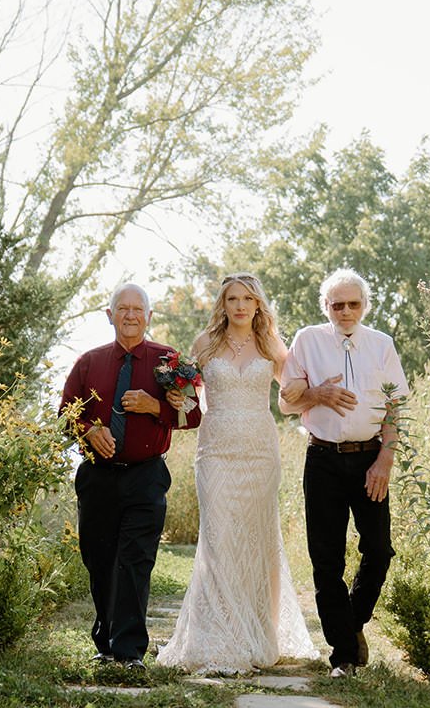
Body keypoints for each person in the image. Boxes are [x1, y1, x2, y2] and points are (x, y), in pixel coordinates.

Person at [157, 274, 319, 673]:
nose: (241, 306)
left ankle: (256, 632)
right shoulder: (204, 344)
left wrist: (316, 393)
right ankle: (215, 633)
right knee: (218, 537)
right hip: (215, 451)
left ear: (258, 304)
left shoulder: (271, 346)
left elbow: (291, 394)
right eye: (233, 298)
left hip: (261, 453)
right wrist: (176, 395)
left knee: (256, 537)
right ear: (223, 304)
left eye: (248, 298)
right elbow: (187, 400)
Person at [60, 283, 200, 668]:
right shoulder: (88, 362)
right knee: (100, 558)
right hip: (97, 476)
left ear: (149, 317)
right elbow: (65, 415)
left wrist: (155, 405)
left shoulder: (170, 362)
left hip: (146, 475)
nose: (131, 315)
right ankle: (105, 643)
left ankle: (129, 650)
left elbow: (192, 415)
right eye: (122, 308)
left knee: (136, 559)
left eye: (138, 309)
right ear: (110, 316)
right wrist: (88, 430)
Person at [279, 268, 409, 677]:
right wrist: (317, 394)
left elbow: (394, 408)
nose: (346, 311)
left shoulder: (382, 345)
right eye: (338, 304)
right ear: (326, 307)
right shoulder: (307, 340)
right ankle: (343, 656)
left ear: (365, 306)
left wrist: (385, 460)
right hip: (323, 461)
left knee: (379, 550)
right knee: (326, 558)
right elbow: (286, 403)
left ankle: (351, 625)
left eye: (353, 303)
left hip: (371, 458)